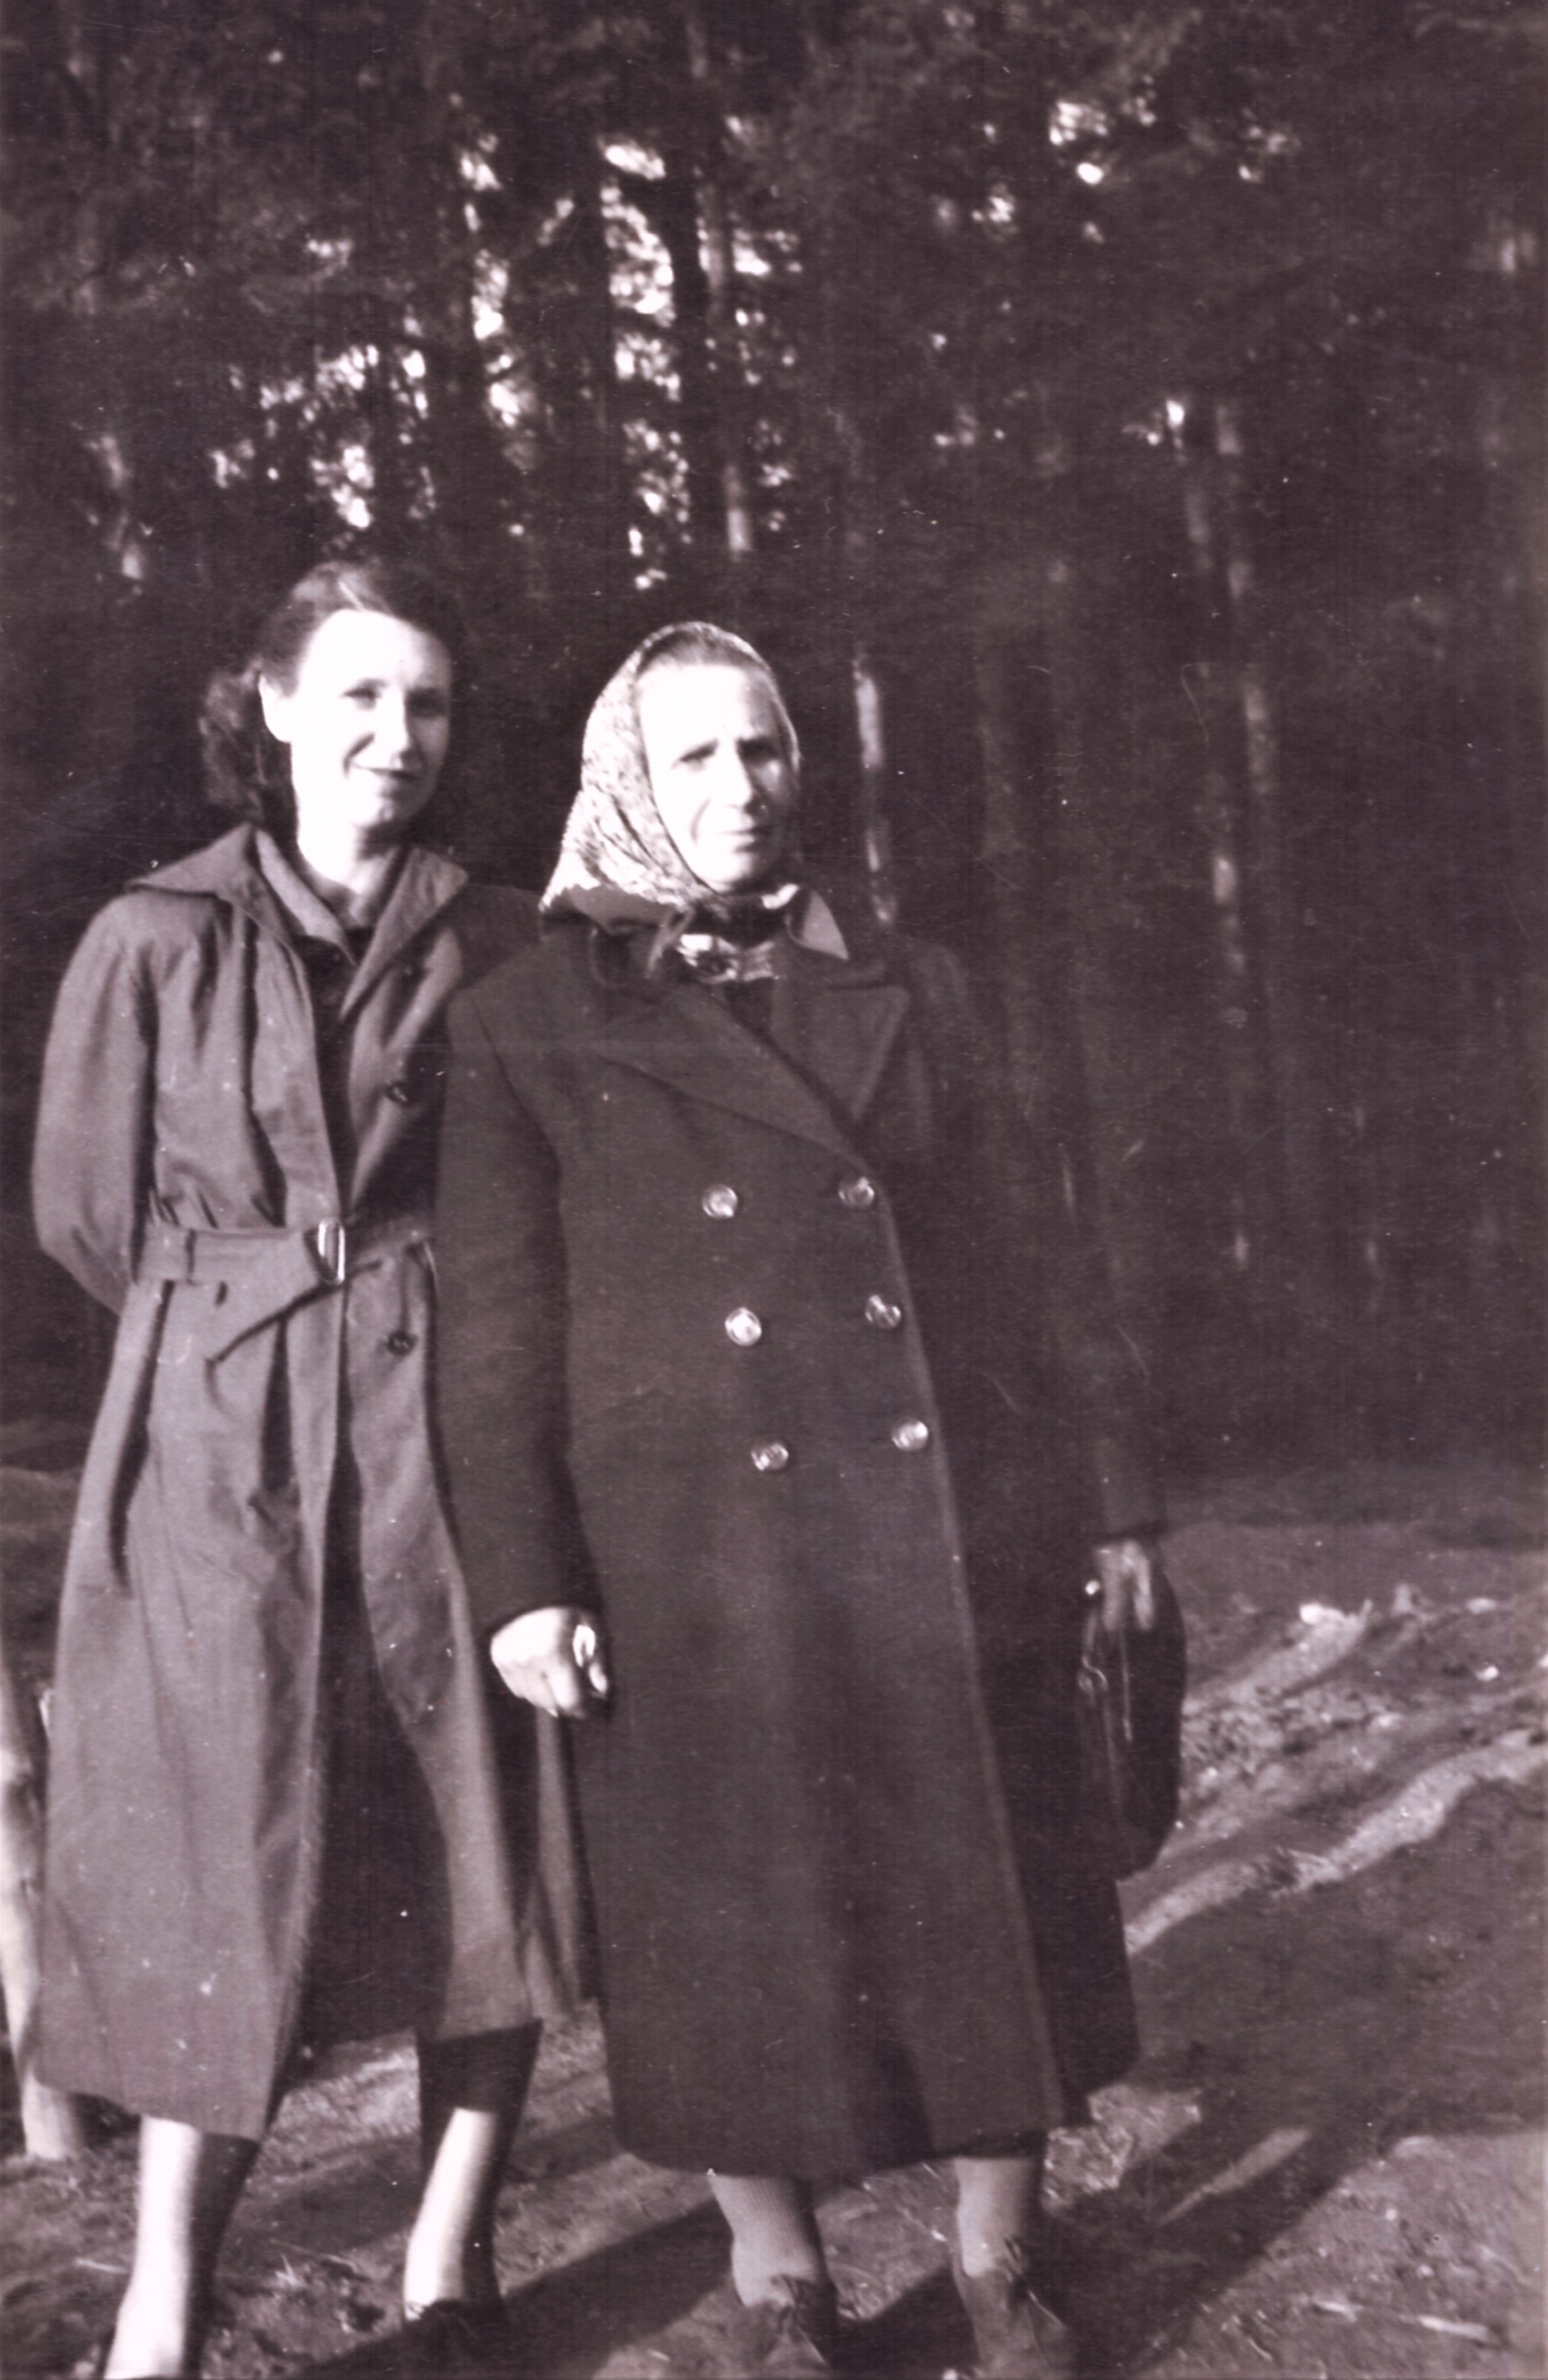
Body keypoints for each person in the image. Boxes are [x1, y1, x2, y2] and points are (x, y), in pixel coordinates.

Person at [434, 621, 1165, 2378]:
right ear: (627, 779)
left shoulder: (918, 981)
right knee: (731, 1921)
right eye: (694, 755)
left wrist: (1118, 1504)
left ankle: (1001, 2259)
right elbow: (496, 1335)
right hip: (688, 1548)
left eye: (762, 747)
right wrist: (527, 1580)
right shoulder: (526, 1021)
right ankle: (781, 2280)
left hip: (941, 1519)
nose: (742, 786)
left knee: (985, 1881)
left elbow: (1039, 1261)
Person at [32, 558, 589, 2379]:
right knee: (224, 1854)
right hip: (218, 1446)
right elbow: (88, 1216)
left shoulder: (500, 936)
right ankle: (164, 2299)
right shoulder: (155, 937)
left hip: (445, 1425)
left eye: (427, 704)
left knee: (479, 1827)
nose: (394, 736)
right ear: (270, 708)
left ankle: (448, 2260)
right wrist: (257, 1314)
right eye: (356, 695)